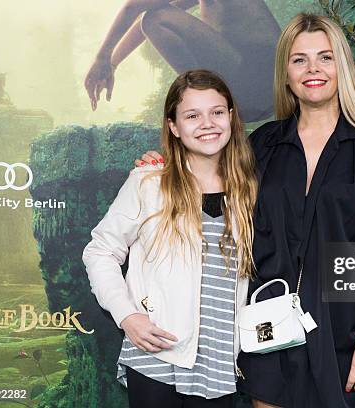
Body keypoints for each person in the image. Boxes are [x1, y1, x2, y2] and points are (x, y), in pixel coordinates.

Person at [137, 13, 355, 408]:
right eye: (300, 60)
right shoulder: (261, 145)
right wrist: (161, 169)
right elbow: (206, 187)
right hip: (269, 330)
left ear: (342, 68)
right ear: (285, 73)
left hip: (345, 335)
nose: (313, 69)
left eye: (325, 58)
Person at [83, 69, 258, 408]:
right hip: (157, 355)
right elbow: (100, 251)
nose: (207, 123)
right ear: (174, 127)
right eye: (192, 115)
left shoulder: (248, 189)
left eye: (217, 112)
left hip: (220, 362)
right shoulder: (149, 183)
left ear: (232, 118)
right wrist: (127, 315)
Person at [84, 0, 281, 122]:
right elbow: (143, 19)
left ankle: (204, 102)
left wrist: (101, 58)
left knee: (156, 19)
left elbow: (135, 5)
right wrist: (111, 64)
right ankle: (208, 103)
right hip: (253, 93)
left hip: (260, 78)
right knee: (153, 18)